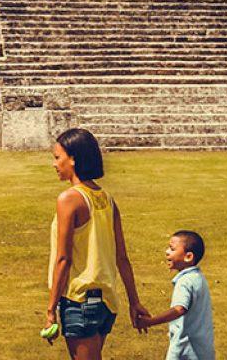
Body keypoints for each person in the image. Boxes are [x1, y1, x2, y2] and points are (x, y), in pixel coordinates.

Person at [46, 127, 150, 360]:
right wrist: (134, 302)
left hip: (79, 300)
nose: (54, 164)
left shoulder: (69, 199)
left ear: (73, 159)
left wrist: (51, 309)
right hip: (105, 303)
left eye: (57, 157)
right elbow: (121, 257)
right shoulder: (107, 199)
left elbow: (64, 258)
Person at [136, 230, 215, 360]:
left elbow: (179, 309)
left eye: (172, 249)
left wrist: (150, 321)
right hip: (203, 350)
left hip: (186, 350)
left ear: (188, 257)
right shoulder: (198, 278)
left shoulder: (185, 282)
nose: (167, 251)